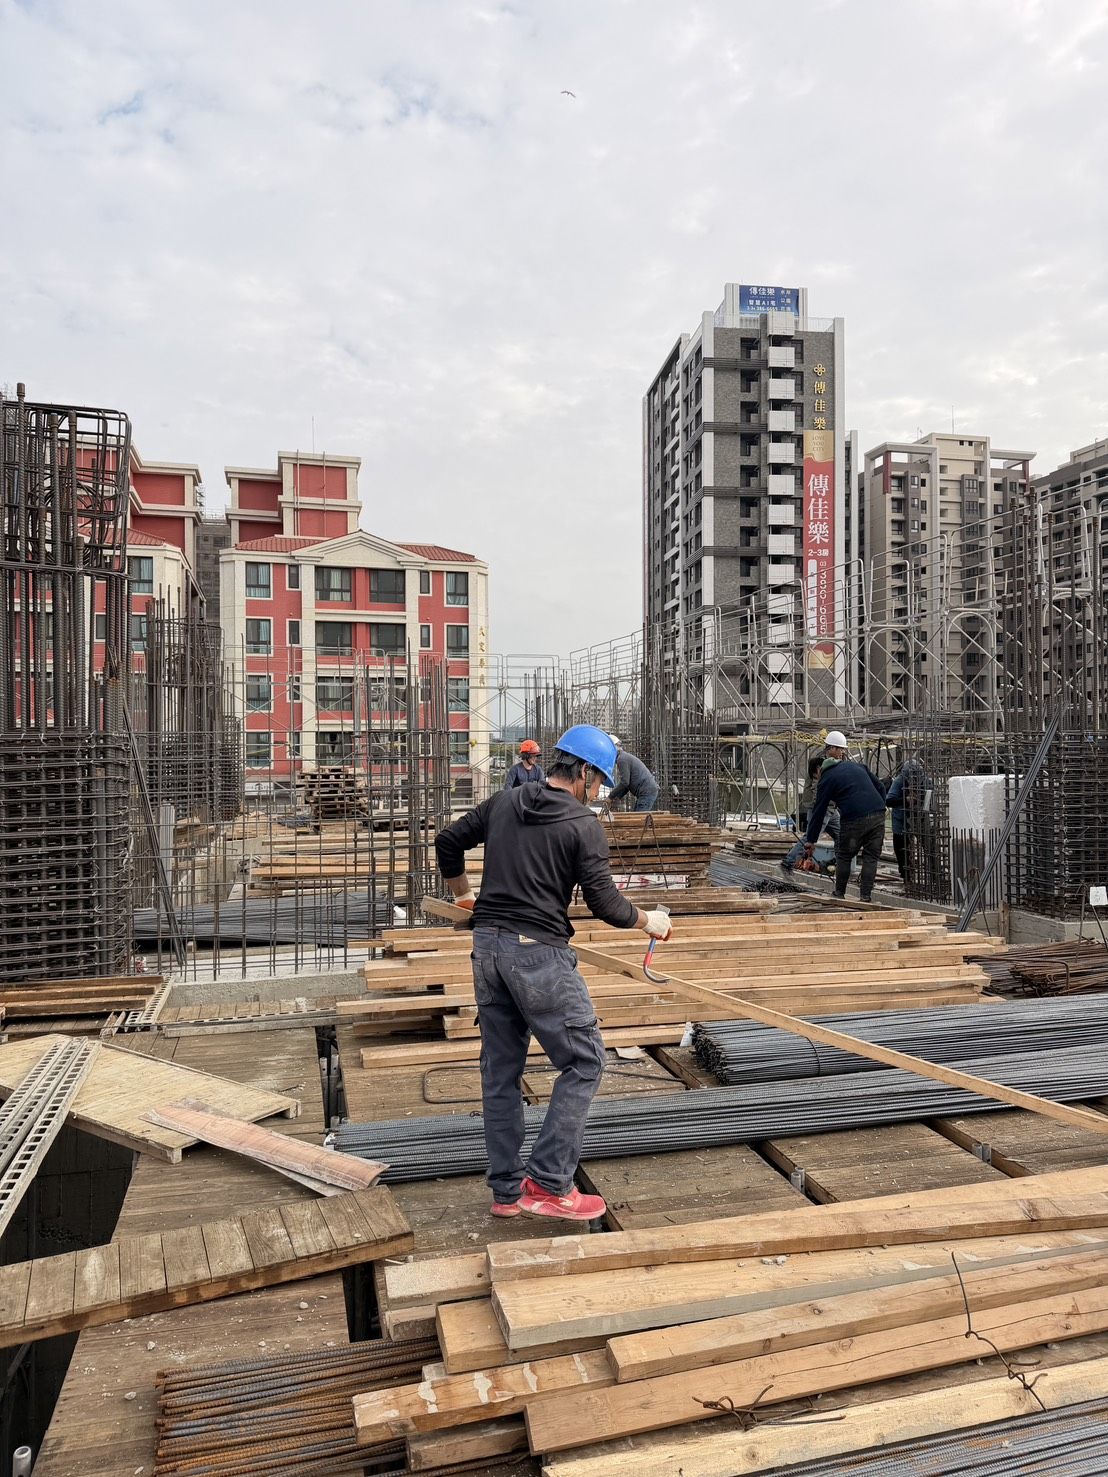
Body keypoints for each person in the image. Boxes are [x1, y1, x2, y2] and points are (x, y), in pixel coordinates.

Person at [435, 724, 673, 1222]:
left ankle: (506, 1192)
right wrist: (649, 920)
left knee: (501, 1072)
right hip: (537, 956)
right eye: (599, 781)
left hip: (488, 950)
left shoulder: (506, 802)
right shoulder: (583, 826)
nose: (600, 792)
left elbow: (448, 842)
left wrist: (464, 897)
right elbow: (606, 904)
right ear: (583, 771)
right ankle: (547, 1183)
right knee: (584, 1061)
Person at [803, 730, 888, 902]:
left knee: (844, 855)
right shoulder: (859, 767)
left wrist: (811, 840)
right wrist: (879, 807)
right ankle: (865, 897)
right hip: (878, 815)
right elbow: (880, 787)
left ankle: (839, 893)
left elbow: (819, 809)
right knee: (871, 858)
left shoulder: (827, 777)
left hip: (854, 819)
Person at [780, 754, 841, 872]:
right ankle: (789, 861)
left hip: (831, 808)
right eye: (840, 749)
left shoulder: (828, 764)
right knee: (810, 837)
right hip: (821, 808)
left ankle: (840, 864)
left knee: (841, 835)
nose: (841, 752)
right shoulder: (820, 769)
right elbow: (817, 792)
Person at [606, 736, 660, 812]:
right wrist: (617, 798)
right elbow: (626, 785)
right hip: (647, 792)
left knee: (639, 817)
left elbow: (624, 782)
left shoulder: (622, 759)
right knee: (637, 814)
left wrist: (610, 797)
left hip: (647, 792)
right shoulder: (624, 757)